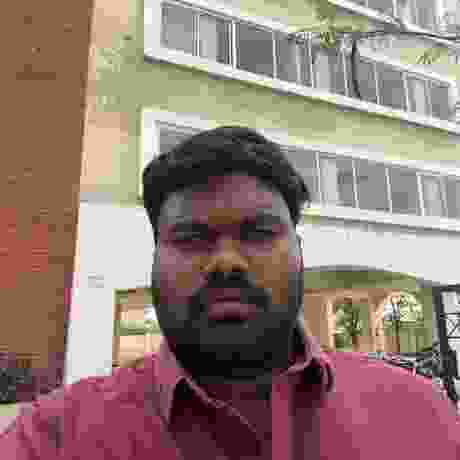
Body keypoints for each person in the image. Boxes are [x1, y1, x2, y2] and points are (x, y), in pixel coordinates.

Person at [1, 126, 459, 459]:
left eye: (258, 233)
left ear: (299, 251)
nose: (227, 262)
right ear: (155, 257)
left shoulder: (418, 413)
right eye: (191, 237)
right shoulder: (52, 439)